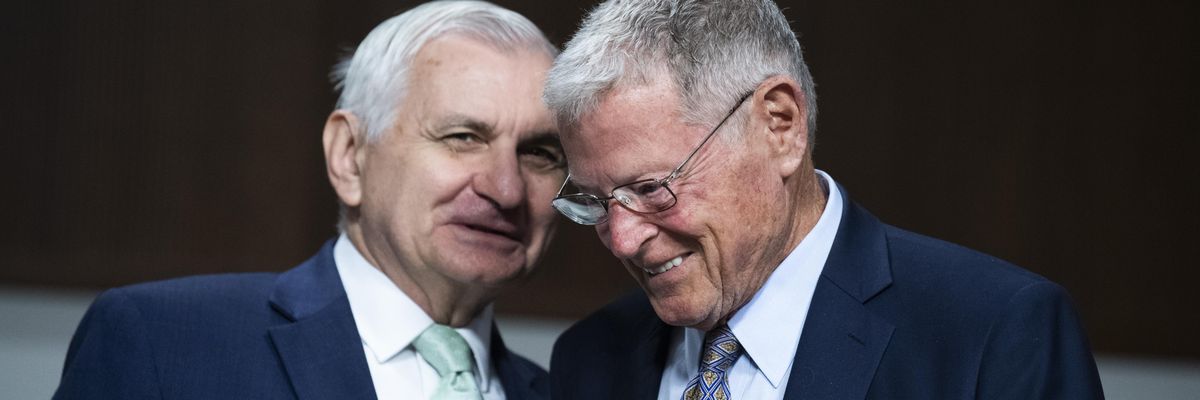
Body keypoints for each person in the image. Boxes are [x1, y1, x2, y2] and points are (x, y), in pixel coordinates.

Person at [543, 0, 1104, 399]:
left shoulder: (994, 334)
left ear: (780, 126)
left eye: (651, 189)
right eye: (596, 201)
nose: (622, 240)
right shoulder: (587, 359)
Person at [54, 1, 563, 399]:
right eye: (463, 137)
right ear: (349, 157)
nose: (506, 189)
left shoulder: (562, 392)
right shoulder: (164, 342)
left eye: (539, 153)